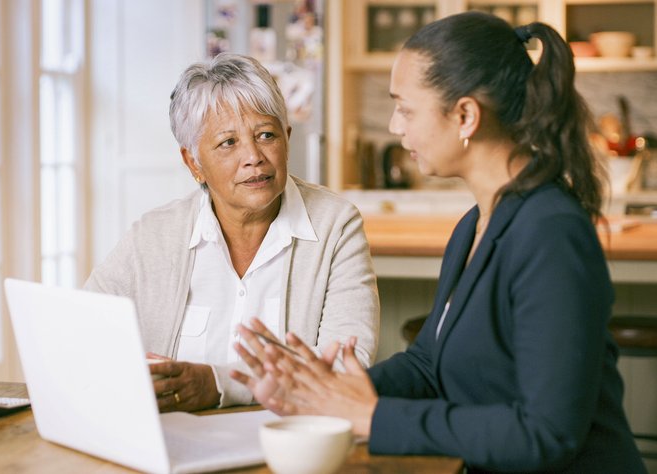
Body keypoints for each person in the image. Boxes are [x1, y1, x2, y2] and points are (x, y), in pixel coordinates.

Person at [233, 12, 646, 473]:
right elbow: (430, 363)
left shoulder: (550, 232)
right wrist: (324, 391)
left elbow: (546, 432)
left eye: (406, 108)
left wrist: (372, 416)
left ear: (466, 115)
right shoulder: (475, 224)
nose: (394, 125)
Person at [84, 52, 379, 412]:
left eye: (266, 135)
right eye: (228, 142)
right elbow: (86, 328)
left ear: (286, 139)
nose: (253, 156)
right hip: (174, 445)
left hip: (291, 443)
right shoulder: (154, 235)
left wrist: (219, 384)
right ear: (193, 162)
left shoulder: (336, 225)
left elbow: (350, 359)